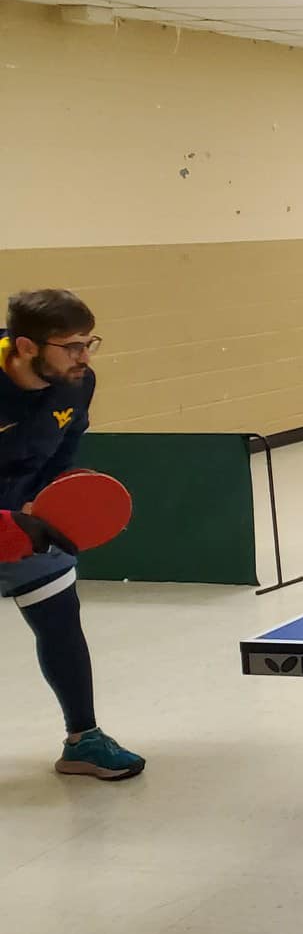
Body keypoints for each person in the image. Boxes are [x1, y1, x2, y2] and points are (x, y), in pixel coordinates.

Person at [1, 289, 145, 780]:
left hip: (28, 520)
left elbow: (65, 444)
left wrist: (48, 502)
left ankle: (83, 740)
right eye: (72, 346)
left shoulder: (76, 383)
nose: (85, 357)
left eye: (90, 343)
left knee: (61, 623)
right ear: (25, 346)